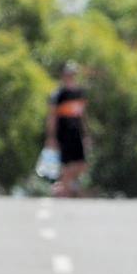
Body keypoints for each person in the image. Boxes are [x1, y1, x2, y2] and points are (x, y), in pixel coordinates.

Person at [45, 61, 90, 197]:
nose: (71, 77)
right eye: (68, 74)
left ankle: (61, 186)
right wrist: (51, 137)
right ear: (63, 75)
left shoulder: (79, 93)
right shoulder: (58, 94)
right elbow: (52, 116)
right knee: (66, 164)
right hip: (63, 133)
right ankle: (64, 192)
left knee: (81, 164)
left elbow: (82, 115)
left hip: (76, 133)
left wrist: (86, 134)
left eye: (73, 74)